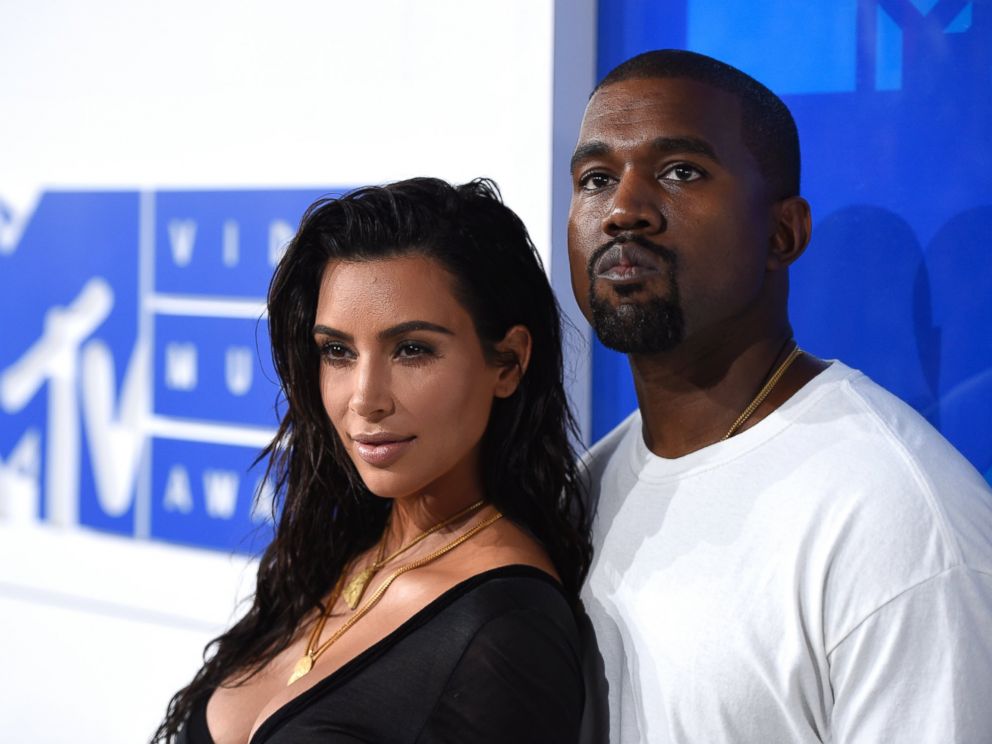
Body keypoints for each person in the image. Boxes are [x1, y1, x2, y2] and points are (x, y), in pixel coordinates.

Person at [569, 49, 992, 743]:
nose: (623, 209)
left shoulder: (897, 518)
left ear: (783, 232)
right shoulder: (586, 486)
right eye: (595, 178)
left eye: (680, 172)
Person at [153, 177, 592, 744]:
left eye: (412, 349)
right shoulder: (338, 554)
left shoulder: (510, 630)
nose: (364, 397)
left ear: (507, 363)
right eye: (337, 351)